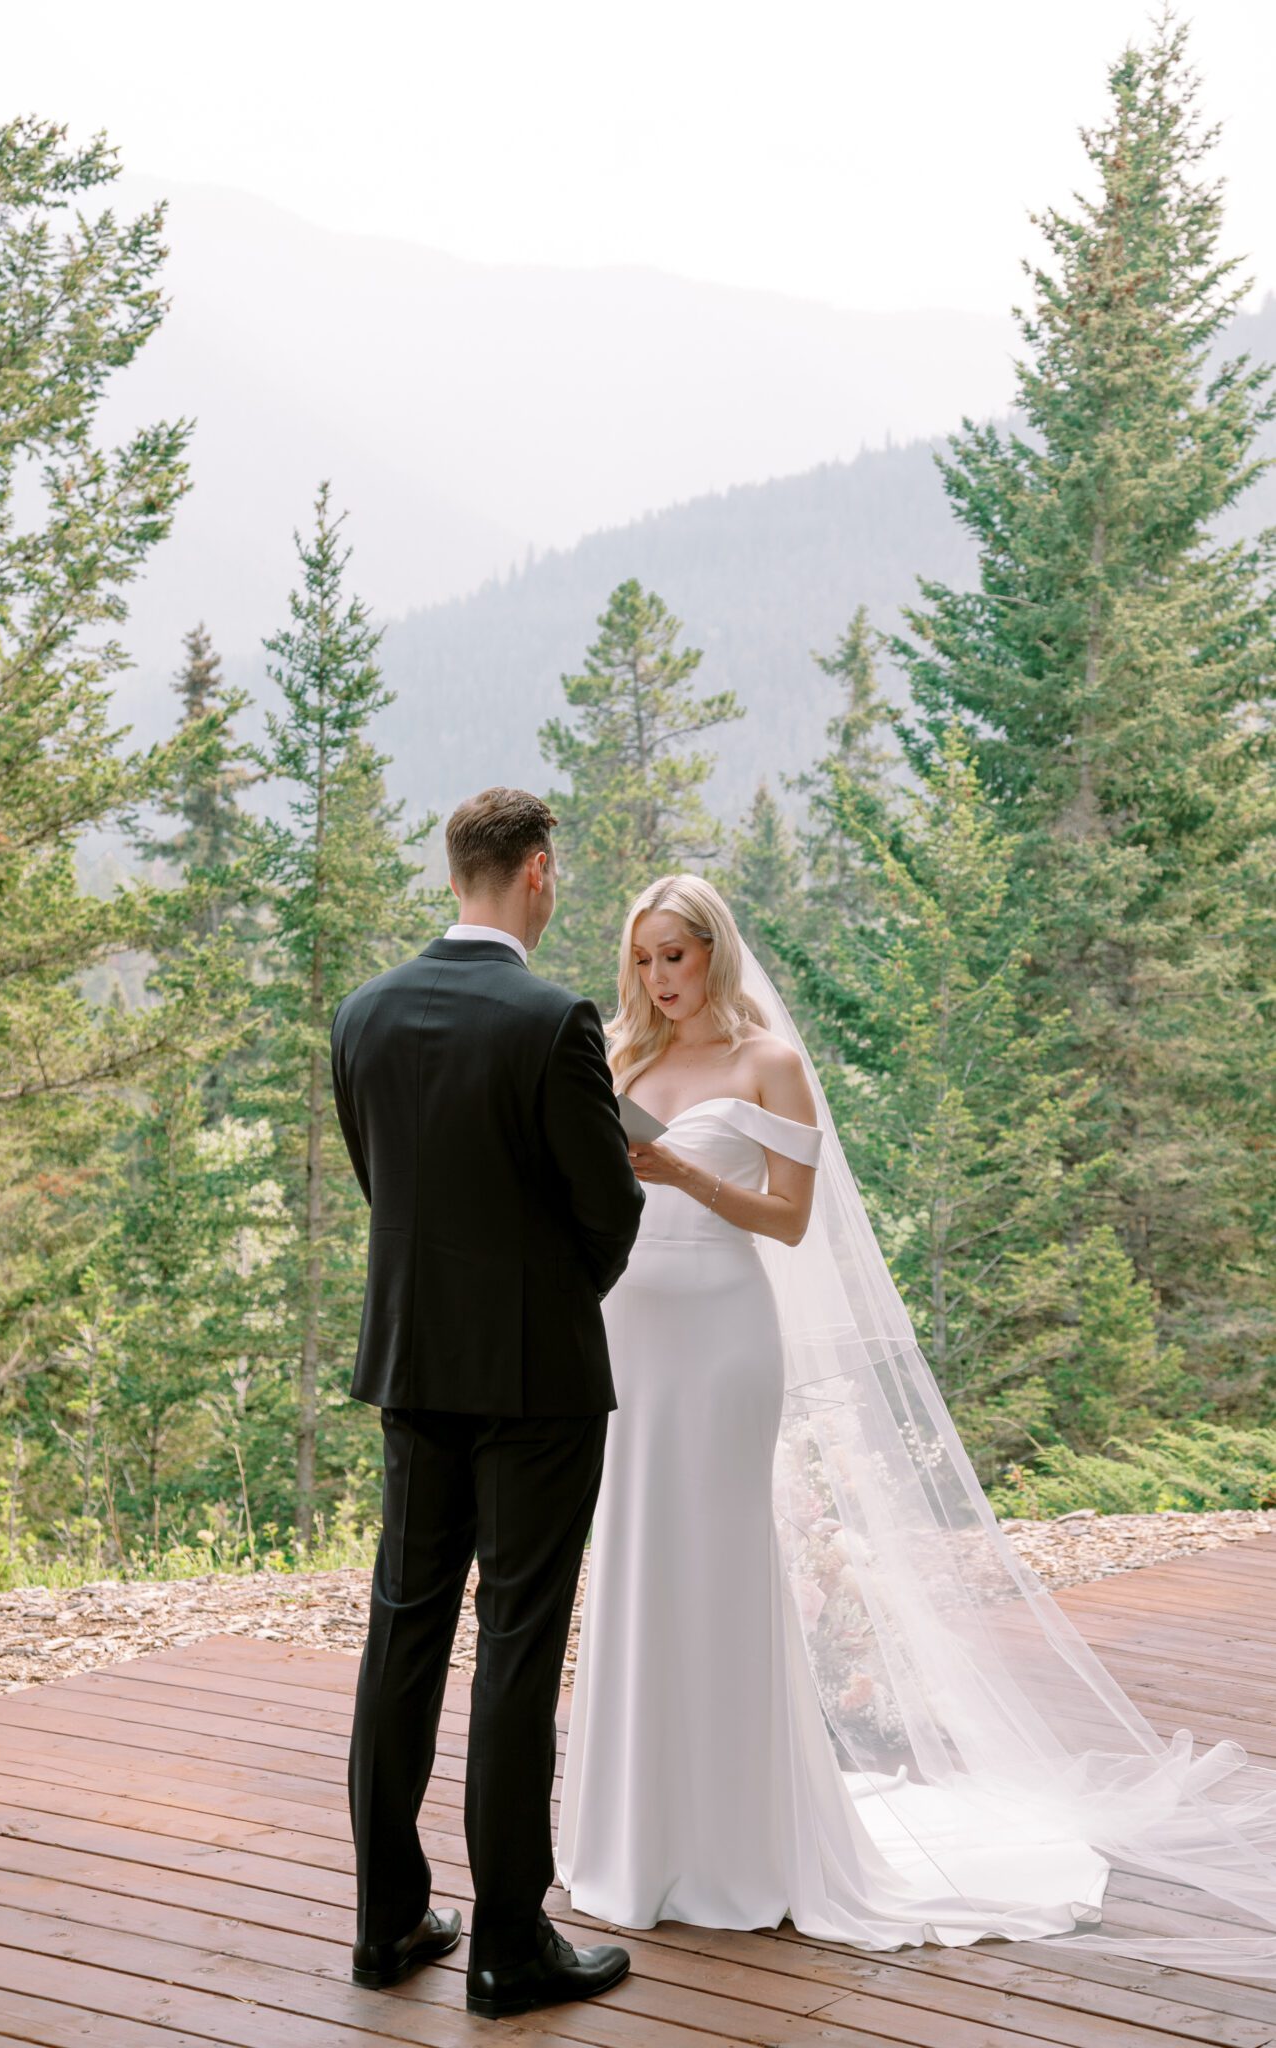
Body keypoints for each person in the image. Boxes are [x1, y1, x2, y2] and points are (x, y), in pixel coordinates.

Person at [557, 872, 1276, 1975]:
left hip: (722, 1330)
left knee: (717, 1566)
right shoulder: (624, 1059)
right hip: (631, 1331)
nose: (659, 979)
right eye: (644, 958)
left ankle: (736, 1842)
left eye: (677, 956)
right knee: (638, 1562)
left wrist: (685, 1171)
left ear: (716, 952)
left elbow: (791, 1223)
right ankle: (634, 1834)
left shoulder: (770, 1063)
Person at [331, 786, 644, 2021]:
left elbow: (381, 1179)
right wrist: (557, 1298)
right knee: (515, 1645)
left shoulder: (362, 1012)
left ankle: (384, 1921)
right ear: (536, 871)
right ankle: (509, 1941)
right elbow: (607, 1207)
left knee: (402, 1634)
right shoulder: (553, 1017)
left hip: (414, 1368)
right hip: (537, 1383)